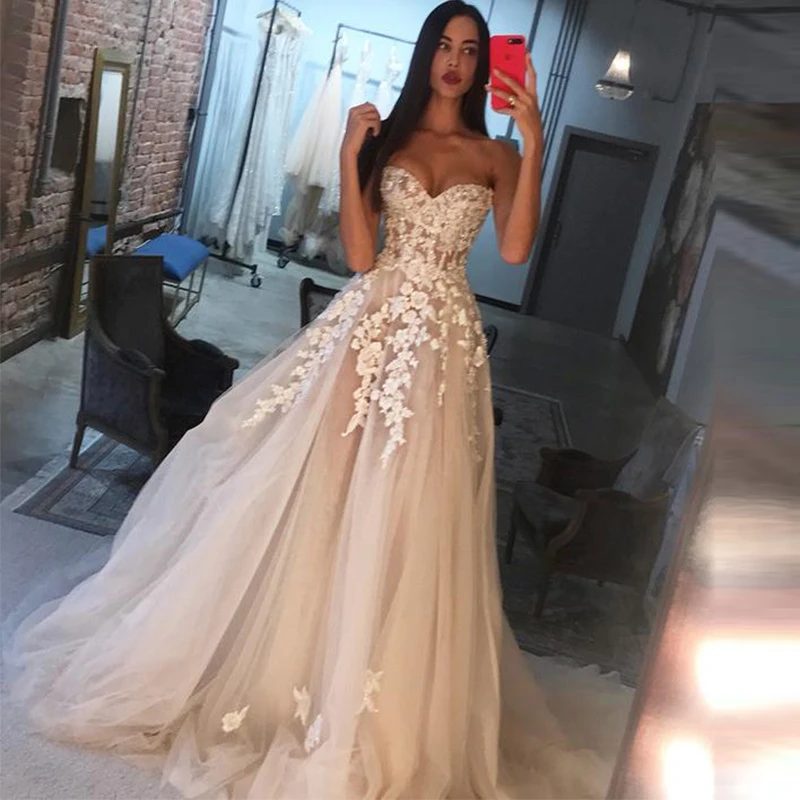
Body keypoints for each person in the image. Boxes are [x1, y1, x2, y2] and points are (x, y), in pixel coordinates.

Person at [5, 3, 631, 798]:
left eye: (471, 50)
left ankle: (377, 685)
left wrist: (535, 142)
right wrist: (347, 150)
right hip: (370, 329)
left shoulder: (497, 154)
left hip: (443, 347)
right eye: (444, 45)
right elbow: (363, 257)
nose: (456, 60)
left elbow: (511, 248)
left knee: (415, 506)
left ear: (484, 66)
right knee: (324, 485)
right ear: (426, 55)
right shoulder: (389, 138)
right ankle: (296, 662)